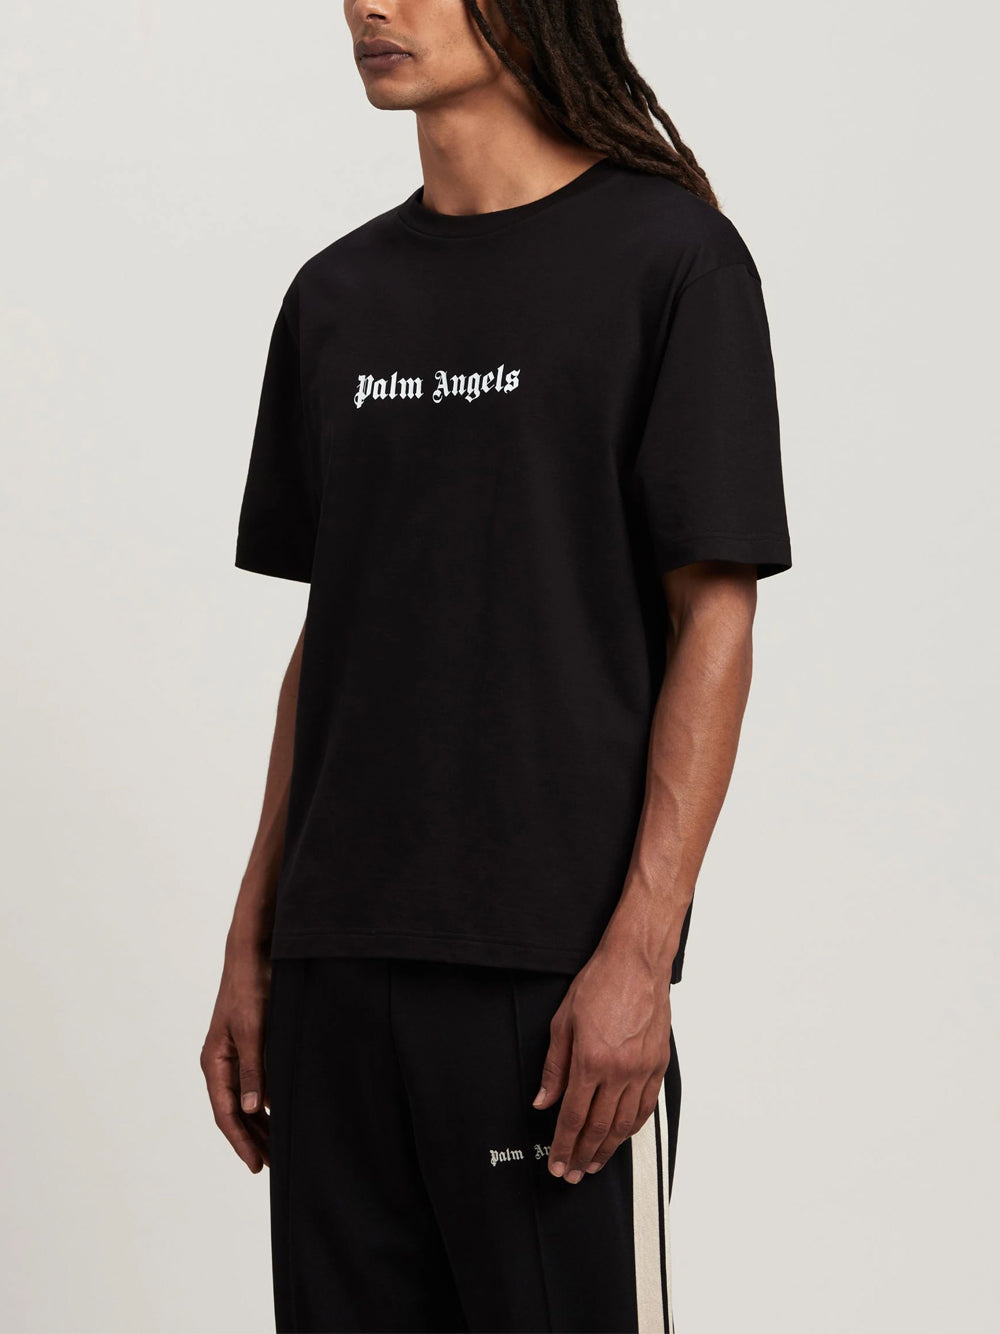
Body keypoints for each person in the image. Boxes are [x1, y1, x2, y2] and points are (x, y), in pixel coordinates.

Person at [200, 0, 792, 1329]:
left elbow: (715, 620)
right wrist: (255, 938)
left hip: (552, 983)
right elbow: (334, 636)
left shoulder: (671, 262)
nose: (370, 5)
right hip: (335, 976)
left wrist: (641, 953)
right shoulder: (334, 299)